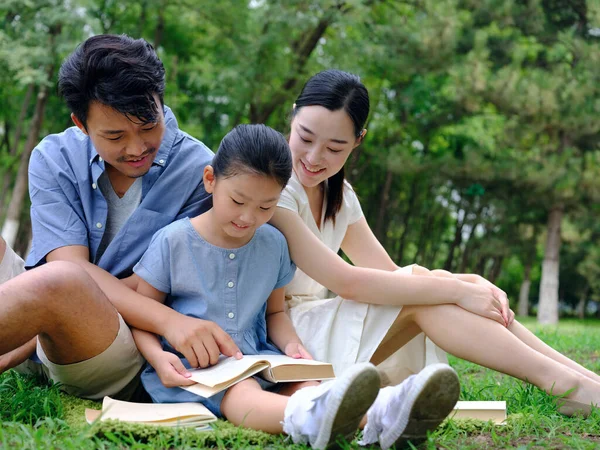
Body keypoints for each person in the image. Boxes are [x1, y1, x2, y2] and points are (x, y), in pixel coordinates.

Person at [269, 69, 600, 420]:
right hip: (287, 341)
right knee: (427, 295)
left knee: (429, 280)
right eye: (304, 137)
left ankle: (582, 380)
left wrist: (463, 282)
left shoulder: (340, 195)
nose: (315, 156)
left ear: (358, 140)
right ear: (292, 116)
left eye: (335, 147)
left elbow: (390, 274)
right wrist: (456, 290)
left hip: (317, 329)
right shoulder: (273, 190)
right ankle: (565, 385)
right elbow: (346, 282)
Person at [130, 124, 460, 449]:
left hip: (260, 358)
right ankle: (379, 412)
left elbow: (275, 312)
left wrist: (292, 347)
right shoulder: (173, 241)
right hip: (197, 369)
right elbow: (144, 316)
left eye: (265, 207)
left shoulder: (273, 244)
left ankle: (382, 412)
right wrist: (158, 358)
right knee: (243, 393)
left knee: (307, 383)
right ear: (210, 179)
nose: (248, 217)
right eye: (238, 201)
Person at [0, 34, 242, 400]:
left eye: (148, 126)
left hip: (123, 341)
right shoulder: (54, 157)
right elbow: (69, 268)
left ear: (161, 103)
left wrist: (170, 323)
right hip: (35, 315)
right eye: (115, 136)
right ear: (81, 125)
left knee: (63, 280)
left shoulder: (201, 174)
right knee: (61, 277)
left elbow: (149, 285)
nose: (136, 148)